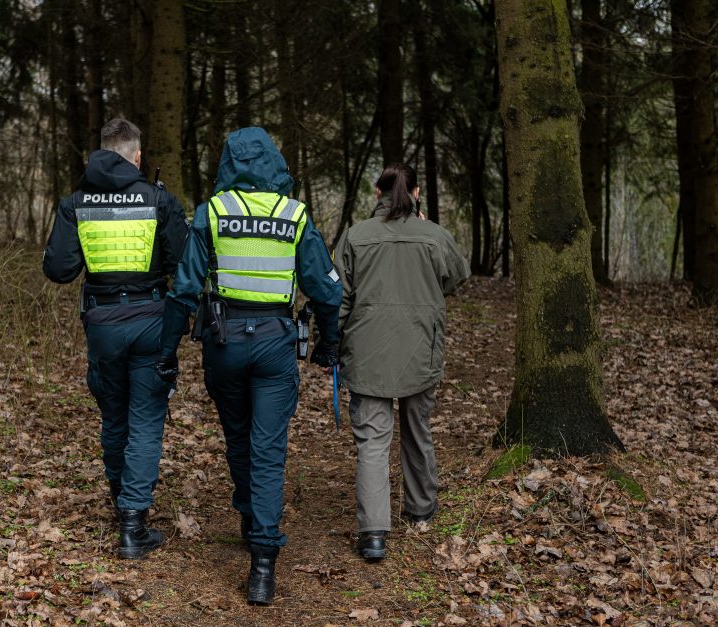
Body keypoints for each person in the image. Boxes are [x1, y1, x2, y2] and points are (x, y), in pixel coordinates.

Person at [156, 127, 341, 605]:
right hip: (277, 344)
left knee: (238, 438)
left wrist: (166, 351)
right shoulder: (295, 215)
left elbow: (183, 290)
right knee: (268, 449)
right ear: (275, 163)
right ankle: (262, 565)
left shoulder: (211, 213)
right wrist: (328, 344)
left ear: (227, 165)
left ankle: (248, 515)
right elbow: (327, 290)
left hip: (225, 341)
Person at [42, 118, 188, 559]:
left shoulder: (76, 203)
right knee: (145, 419)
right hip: (150, 319)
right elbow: (182, 263)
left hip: (102, 323)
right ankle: (132, 526)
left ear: (103, 151)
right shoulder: (159, 200)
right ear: (137, 156)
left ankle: (118, 498)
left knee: (114, 415)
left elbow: (59, 270)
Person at [333, 163, 470, 562]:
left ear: (377, 194)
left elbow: (338, 298)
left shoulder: (355, 236)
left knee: (373, 443)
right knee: (417, 427)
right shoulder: (433, 236)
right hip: (419, 351)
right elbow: (457, 276)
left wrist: (331, 343)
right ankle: (421, 507)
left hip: (368, 352)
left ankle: (374, 535)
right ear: (417, 192)